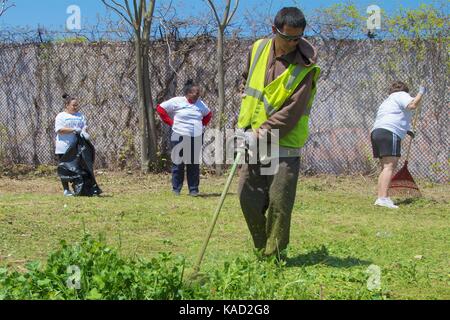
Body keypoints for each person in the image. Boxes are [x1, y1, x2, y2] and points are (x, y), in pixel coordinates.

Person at [236, 7, 320, 259]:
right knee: (247, 197)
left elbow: (292, 112)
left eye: (298, 37)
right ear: (274, 31)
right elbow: (246, 80)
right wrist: (245, 123)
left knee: (279, 204)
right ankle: (262, 245)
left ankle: (274, 256)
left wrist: (261, 131)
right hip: (253, 140)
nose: (294, 43)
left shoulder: (306, 68)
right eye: (288, 37)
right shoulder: (258, 49)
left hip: (284, 144)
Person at [371, 81, 425, 209]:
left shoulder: (387, 101)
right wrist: (421, 92)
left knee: (385, 166)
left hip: (377, 132)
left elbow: (394, 117)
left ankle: (381, 197)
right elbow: (412, 105)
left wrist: (407, 129)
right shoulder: (401, 95)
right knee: (390, 165)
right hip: (390, 132)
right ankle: (383, 198)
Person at [156, 80, 212, 196]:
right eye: (195, 93)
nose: (197, 95)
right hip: (179, 135)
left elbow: (208, 115)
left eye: (198, 93)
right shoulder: (177, 101)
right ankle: (176, 189)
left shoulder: (200, 104)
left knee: (193, 163)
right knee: (178, 162)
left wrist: (201, 125)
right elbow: (160, 109)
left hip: (195, 137)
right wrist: (171, 122)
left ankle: (193, 189)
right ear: (188, 93)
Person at [54, 93, 89, 196]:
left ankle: (78, 188)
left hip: (78, 147)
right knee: (65, 168)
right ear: (67, 105)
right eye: (73, 105)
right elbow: (59, 130)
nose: (75, 107)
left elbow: (84, 126)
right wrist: (73, 130)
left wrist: (84, 131)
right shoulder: (61, 116)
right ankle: (66, 190)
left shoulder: (80, 115)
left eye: (76, 105)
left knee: (78, 168)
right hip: (64, 147)